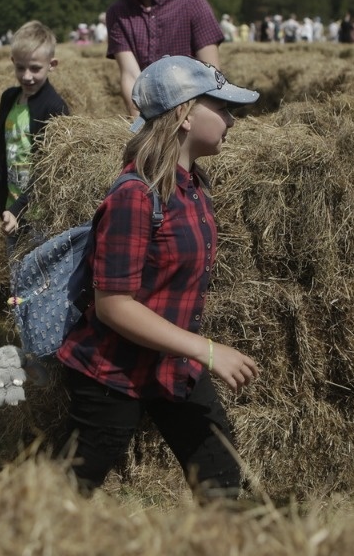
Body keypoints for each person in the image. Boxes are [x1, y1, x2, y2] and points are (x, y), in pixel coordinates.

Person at [56, 55, 260, 502]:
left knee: (221, 481)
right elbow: (114, 304)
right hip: (114, 372)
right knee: (67, 493)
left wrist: (194, 352)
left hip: (173, 364)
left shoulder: (193, 186)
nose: (231, 120)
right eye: (222, 108)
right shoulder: (135, 196)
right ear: (185, 115)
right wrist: (208, 350)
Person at [105, 0, 224, 119]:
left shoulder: (193, 4)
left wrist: (197, 120)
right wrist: (140, 123)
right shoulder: (117, 13)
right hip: (149, 115)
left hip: (193, 112)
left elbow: (211, 72)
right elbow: (129, 74)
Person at [0, 20, 70, 249]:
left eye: (35, 68)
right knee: (16, 274)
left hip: (40, 214)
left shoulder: (54, 107)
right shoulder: (8, 99)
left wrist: (18, 211)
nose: (27, 76)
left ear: (51, 64)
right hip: (11, 208)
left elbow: (49, 172)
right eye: (20, 67)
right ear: (13, 62)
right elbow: (1, 158)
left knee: (38, 277)